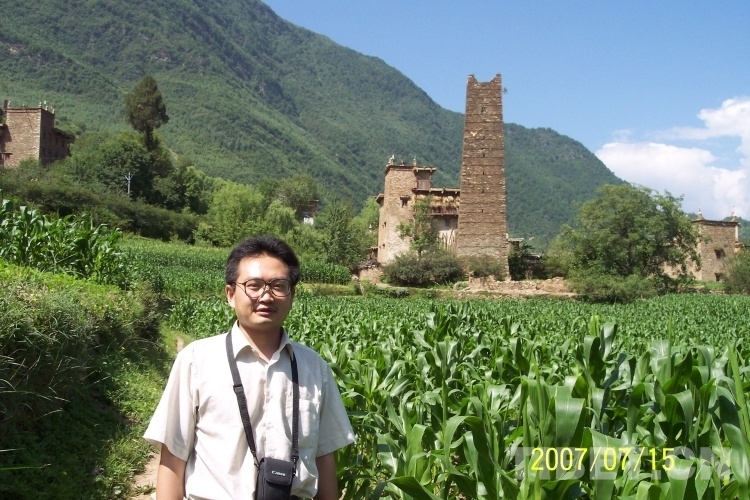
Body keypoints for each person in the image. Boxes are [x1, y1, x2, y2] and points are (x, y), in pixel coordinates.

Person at [144, 236, 355, 499]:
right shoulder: (196, 361)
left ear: (292, 295)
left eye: (279, 286)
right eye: (253, 286)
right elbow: (173, 458)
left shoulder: (314, 367)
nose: (266, 296)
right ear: (230, 295)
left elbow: (325, 459)